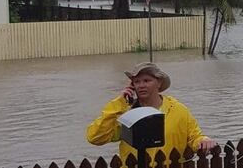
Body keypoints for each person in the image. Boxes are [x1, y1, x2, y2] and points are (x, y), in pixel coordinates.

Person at [86, 62, 217, 164]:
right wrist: (119, 103)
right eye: (137, 82)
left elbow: (194, 137)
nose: (141, 85)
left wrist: (204, 140)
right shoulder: (125, 115)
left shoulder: (179, 110)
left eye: (147, 81)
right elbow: (95, 138)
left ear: (159, 83)